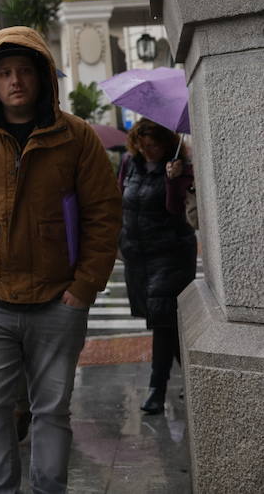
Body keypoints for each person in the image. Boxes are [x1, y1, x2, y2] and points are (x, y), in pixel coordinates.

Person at [0, 26, 121, 494]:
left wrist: (85, 285)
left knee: (52, 409)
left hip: (60, 300)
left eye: (24, 72)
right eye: (5, 73)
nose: (15, 81)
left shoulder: (75, 137)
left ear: (42, 79)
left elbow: (104, 212)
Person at [118, 118, 196, 415]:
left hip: (170, 254)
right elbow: (119, 200)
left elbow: (177, 211)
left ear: (166, 143)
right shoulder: (129, 164)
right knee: (164, 322)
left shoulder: (179, 166)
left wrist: (174, 180)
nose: (147, 150)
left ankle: (156, 388)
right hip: (138, 256)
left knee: (162, 321)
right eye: (142, 144)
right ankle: (194, 379)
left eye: (153, 145)